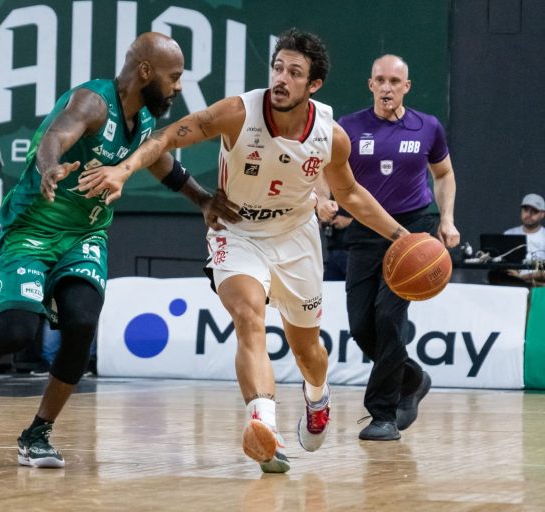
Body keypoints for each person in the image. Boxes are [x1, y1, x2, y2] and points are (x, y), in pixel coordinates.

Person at [77, 29, 410, 472]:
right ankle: (264, 426)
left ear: (314, 85)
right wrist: (123, 169)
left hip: (295, 235)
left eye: (295, 73)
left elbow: (350, 194)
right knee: (248, 317)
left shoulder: (331, 136)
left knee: (308, 350)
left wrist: (402, 236)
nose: (282, 79)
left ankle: (317, 396)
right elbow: (167, 137)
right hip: (236, 230)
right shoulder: (238, 112)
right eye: (278, 68)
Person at [0, 32, 240, 468]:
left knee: (81, 323)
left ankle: (38, 433)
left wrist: (203, 200)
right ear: (145, 72)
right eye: (174, 76)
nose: (178, 86)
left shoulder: (142, 123)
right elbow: (56, 136)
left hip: (85, 236)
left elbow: (163, 164)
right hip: (32, 228)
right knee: (16, 332)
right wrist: (50, 169)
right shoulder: (94, 102)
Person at [328, 54, 460, 441]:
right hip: (365, 230)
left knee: (388, 317)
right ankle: (413, 378)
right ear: (370, 85)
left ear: (407, 87)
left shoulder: (427, 127)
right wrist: (322, 199)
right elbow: (326, 171)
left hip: (412, 232)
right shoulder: (348, 127)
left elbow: (444, 174)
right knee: (360, 326)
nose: (387, 87)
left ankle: (382, 414)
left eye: (394, 81)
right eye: (380, 80)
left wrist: (447, 219)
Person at [501, 193, 545, 285]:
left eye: (534, 211)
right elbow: (501, 263)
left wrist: (522, 277)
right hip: (511, 283)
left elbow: (543, 271)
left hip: (539, 285)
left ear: (542, 214)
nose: (528, 214)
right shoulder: (509, 234)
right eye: (526, 210)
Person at [318, 201, 352, 281]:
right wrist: (324, 219)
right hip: (331, 251)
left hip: (353, 250)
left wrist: (349, 221)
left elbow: (370, 216)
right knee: (329, 286)